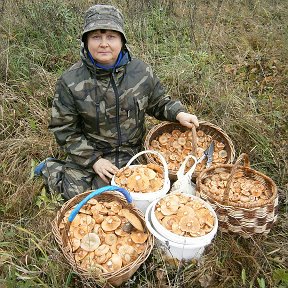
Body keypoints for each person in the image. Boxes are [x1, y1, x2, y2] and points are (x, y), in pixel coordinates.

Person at [36, 4, 199, 200]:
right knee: (79, 198)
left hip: (131, 151)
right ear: (86, 41)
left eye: (111, 37)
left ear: (122, 41)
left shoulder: (141, 71)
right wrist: (94, 160)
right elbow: (64, 129)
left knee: (136, 194)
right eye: (96, 36)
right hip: (91, 150)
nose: (104, 43)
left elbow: (159, 102)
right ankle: (51, 168)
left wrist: (179, 113)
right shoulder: (70, 81)